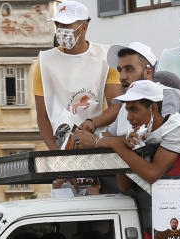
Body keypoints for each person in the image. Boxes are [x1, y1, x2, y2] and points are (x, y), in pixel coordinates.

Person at [33, 1, 120, 150]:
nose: (60, 30)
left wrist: (93, 123)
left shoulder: (106, 58)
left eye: (66, 25)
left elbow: (116, 106)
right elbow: (42, 117)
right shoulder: (44, 62)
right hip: (61, 142)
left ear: (84, 27)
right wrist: (57, 155)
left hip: (97, 139)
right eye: (58, 25)